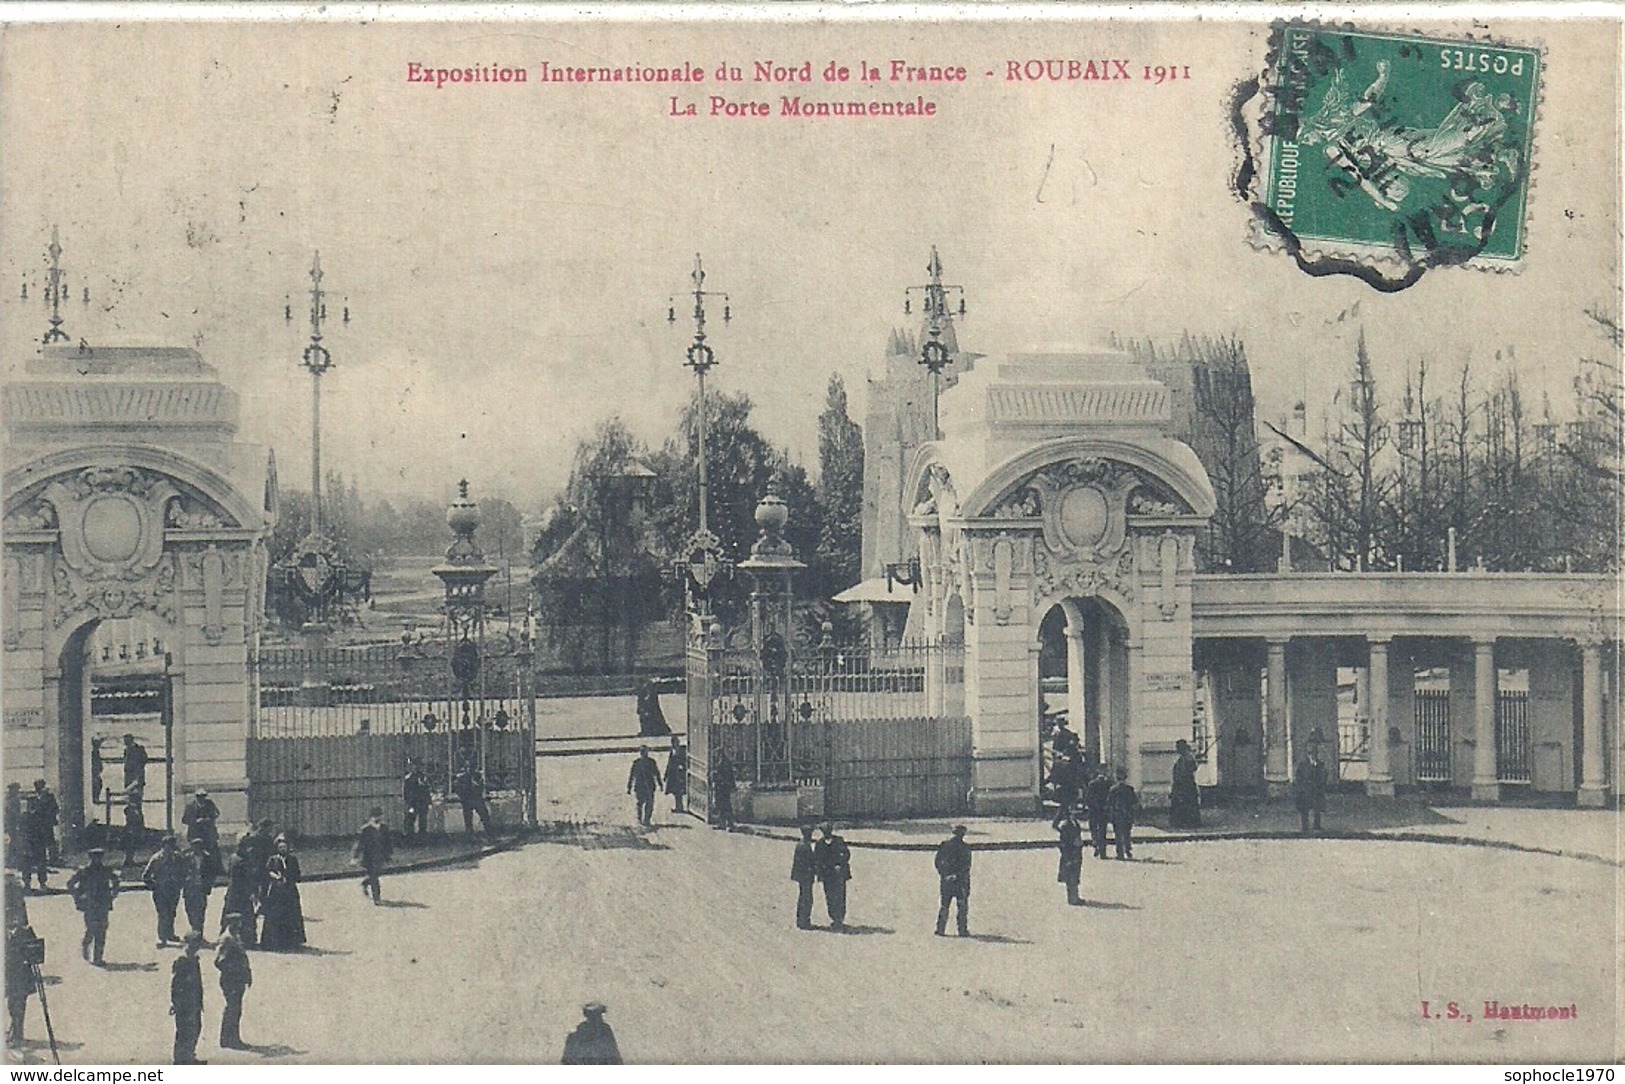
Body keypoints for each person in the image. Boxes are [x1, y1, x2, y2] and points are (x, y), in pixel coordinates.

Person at [66, 848, 119, 965]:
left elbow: (116, 880)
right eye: (95, 858)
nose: (97, 861)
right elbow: (70, 884)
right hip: (89, 904)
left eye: (99, 858)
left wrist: (114, 893)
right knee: (92, 928)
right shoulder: (84, 871)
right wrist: (77, 897)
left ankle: (98, 958)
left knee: (102, 929)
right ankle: (86, 943)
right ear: (90, 858)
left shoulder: (105, 870)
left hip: (103, 903)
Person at [259, 835, 306, 951]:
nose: (283, 849)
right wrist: (275, 876)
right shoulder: (273, 859)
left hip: (290, 891)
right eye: (280, 847)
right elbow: (267, 871)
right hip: (276, 892)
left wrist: (289, 878)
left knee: (291, 914)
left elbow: (297, 874)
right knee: (275, 915)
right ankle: (274, 941)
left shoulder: (292, 859)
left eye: (284, 847)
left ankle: (292, 941)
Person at [143, 834, 188, 948]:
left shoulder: (178, 857)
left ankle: (170, 934)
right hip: (161, 891)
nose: (170, 849)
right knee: (163, 914)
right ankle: (162, 938)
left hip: (173, 890)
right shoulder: (156, 858)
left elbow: (184, 871)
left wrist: (180, 882)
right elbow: (146, 875)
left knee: (172, 912)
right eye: (168, 846)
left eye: (172, 846)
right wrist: (154, 885)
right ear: (163, 846)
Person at [215, 914, 252, 1049]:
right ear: (230, 923)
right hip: (231, 980)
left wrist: (247, 974)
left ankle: (232, 1038)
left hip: (238, 979)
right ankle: (229, 1039)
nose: (239, 925)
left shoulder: (235, 936)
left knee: (235, 1009)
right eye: (236, 923)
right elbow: (219, 962)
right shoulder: (226, 939)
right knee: (232, 1008)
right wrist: (234, 971)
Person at [170, 931, 205, 1064]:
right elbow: (175, 984)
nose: (197, 947)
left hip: (194, 1001)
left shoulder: (193, 958)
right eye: (195, 944)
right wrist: (175, 1003)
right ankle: (180, 1060)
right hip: (184, 1003)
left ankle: (189, 1056)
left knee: (195, 1028)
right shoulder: (182, 960)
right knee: (184, 1031)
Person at [5, 918, 39, 1048]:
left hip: (19, 976)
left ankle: (17, 1034)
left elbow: (36, 953)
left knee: (18, 1005)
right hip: (7, 974)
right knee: (13, 1005)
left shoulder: (25, 932)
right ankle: (15, 1031)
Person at [933, 825, 972, 937]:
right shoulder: (965, 848)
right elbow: (967, 866)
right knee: (962, 906)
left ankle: (940, 929)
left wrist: (944, 874)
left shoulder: (944, 845)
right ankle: (962, 930)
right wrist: (956, 876)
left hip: (946, 881)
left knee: (944, 905)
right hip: (960, 882)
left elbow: (937, 862)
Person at [813, 823, 852, 931]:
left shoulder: (839, 841)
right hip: (827, 875)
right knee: (829, 896)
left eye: (828, 830)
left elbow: (846, 854)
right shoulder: (819, 844)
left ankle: (839, 919)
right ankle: (834, 918)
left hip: (839, 874)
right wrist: (820, 872)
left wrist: (840, 864)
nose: (827, 833)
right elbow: (817, 859)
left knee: (840, 896)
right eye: (824, 831)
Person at [220, 848, 258, 948]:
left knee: (232, 913)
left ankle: (228, 937)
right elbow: (248, 877)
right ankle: (246, 940)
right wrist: (252, 891)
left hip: (233, 891)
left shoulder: (233, 857)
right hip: (241, 892)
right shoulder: (244, 860)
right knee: (245, 915)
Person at [182, 787, 222, 881]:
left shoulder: (209, 804)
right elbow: (184, 820)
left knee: (211, 851)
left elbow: (217, 813)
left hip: (208, 832)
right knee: (197, 851)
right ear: (196, 797)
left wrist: (209, 819)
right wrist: (196, 821)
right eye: (199, 796)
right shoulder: (190, 806)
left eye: (203, 796)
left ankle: (213, 870)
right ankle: (195, 870)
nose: (201, 798)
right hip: (195, 833)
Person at [354, 806, 391, 904]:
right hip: (369, 858)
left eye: (379, 816)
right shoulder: (366, 829)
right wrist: (355, 857)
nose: (377, 818)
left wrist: (388, 855)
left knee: (377, 873)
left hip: (380, 857)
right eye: (375, 816)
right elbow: (360, 844)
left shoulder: (384, 828)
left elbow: (388, 843)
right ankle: (376, 898)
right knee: (374, 877)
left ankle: (366, 882)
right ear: (371, 818)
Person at [452, 755, 492, 836]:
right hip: (468, 800)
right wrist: (462, 796)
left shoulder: (478, 776)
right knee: (468, 820)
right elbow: (456, 786)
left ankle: (490, 834)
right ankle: (470, 836)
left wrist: (478, 789)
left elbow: (481, 786)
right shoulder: (462, 777)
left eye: (471, 766)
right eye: (468, 767)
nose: (470, 769)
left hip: (477, 799)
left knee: (485, 817)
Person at [1294, 746, 1329, 834]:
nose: (1313, 756)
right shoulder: (1303, 765)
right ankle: (1305, 827)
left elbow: (1324, 776)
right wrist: (1301, 788)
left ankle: (1317, 826)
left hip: (1316, 791)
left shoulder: (1321, 765)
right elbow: (1298, 778)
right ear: (1308, 755)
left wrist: (1321, 786)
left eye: (1314, 754)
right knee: (1304, 810)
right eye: (1311, 754)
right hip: (1305, 791)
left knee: (1317, 809)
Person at [626, 746, 662, 827]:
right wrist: (660, 784)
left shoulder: (642, 762)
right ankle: (643, 819)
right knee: (644, 803)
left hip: (644, 786)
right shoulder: (641, 763)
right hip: (644, 786)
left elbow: (656, 773)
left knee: (644, 803)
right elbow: (632, 776)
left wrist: (629, 787)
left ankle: (644, 819)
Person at [790, 824, 817, 930]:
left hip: (803, 876)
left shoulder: (803, 844)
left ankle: (802, 919)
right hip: (805, 876)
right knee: (806, 898)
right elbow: (804, 863)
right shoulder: (803, 846)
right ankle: (803, 920)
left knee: (804, 896)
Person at [1107, 767, 1138, 861]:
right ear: (1126, 778)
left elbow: (1109, 802)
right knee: (1127, 833)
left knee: (1118, 834)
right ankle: (1127, 850)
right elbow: (1135, 802)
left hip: (1117, 815)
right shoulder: (1129, 789)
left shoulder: (1113, 789)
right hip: (1127, 814)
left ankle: (1120, 852)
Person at [1170, 738, 1202, 829]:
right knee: (1184, 803)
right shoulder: (1186, 757)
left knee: (1185, 803)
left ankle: (1187, 822)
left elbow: (1188, 770)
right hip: (1183, 784)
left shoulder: (1187, 757)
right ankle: (1185, 822)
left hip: (1185, 785)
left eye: (1178, 747)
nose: (1176, 749)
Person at [1057, 810, 1086, 905]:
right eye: (1073, 813)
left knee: (1075, 875)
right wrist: (1067, 858)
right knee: (1070, 878)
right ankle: (1072, 898)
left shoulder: (1075, 824)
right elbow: (1063, 844)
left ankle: (1075, 896)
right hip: (1069, 855)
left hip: (1076, 853)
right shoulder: (1066, 826)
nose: (1075, 815)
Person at [18, 795, 46, 891]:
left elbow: (44, 831)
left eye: (34, 803)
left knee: (41, 864)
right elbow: (21, 832)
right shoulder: (24, 817)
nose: (32, 805)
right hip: (28, 843)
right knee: (26, 865)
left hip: (39, 844)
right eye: (30, 804)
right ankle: (27, 884)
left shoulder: (40, 816)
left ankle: (42, 883)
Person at [1085, 768, 1112, 860]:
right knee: (1102, 831)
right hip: (1103, 811)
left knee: (1093, 829)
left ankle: (1095, 844)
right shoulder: (1108, 784)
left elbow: (1088, 798)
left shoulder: (1092, 784)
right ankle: (1103, 852)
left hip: (1093, 811)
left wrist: (1087, 807)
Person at [1049, 749, 1080, 829]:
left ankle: (1066, 821)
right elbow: (1075, 777)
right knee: (1069, 805)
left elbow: (1053, 776)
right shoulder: (1071, 764)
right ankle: (1068, 821)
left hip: (1061, 788)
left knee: (1064, 806)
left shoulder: (1057, 763)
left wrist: (1055, 786)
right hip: (1070, 788)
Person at [30, 781, 59, 866]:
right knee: (44, 841)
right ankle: (46, 858)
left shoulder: (49, 797)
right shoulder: (37, 798)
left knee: (50, 841)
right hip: (40, 823)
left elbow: (55, 809)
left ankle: (53, 858)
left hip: (46, 823)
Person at [402, 759, 432, 839]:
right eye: (414, 765)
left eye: (418, 766)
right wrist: (407, 802)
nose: (416, 767)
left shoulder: (423, 777)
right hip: (413, 802)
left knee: (423, 819)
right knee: (411, 818)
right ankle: (410, 836)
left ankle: (422, 836)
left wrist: (429, 802)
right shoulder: (408, 778)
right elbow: (406, 790)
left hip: (422, 801)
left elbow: (426, 790)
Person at [122, 780, 146, 867]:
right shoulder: (131, 809)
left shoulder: (136, 809)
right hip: (131, 829)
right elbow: (133, 820)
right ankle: (128, 860)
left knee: (133, 845)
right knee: (130, 845)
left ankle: (130, 860)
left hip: (135, 829)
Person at [711, 751, 737, 831]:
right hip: (722, 787)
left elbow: (725, 776)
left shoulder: (725, 763)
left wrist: (715, 775)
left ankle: (730, 825)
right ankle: (722, 824)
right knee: (721, 806)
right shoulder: (723, 762)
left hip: (724, 787)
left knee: (726, 806)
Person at [664, 737, 688, 814]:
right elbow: (669, 763)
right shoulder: (672, 751)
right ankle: (678, 806)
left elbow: (684, 761)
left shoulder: (682, 750)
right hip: (673, 774)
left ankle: (680, 807)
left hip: (679, 774)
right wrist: (666, 775)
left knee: (679, 792)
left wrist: (682, 766)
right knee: (675, 792)